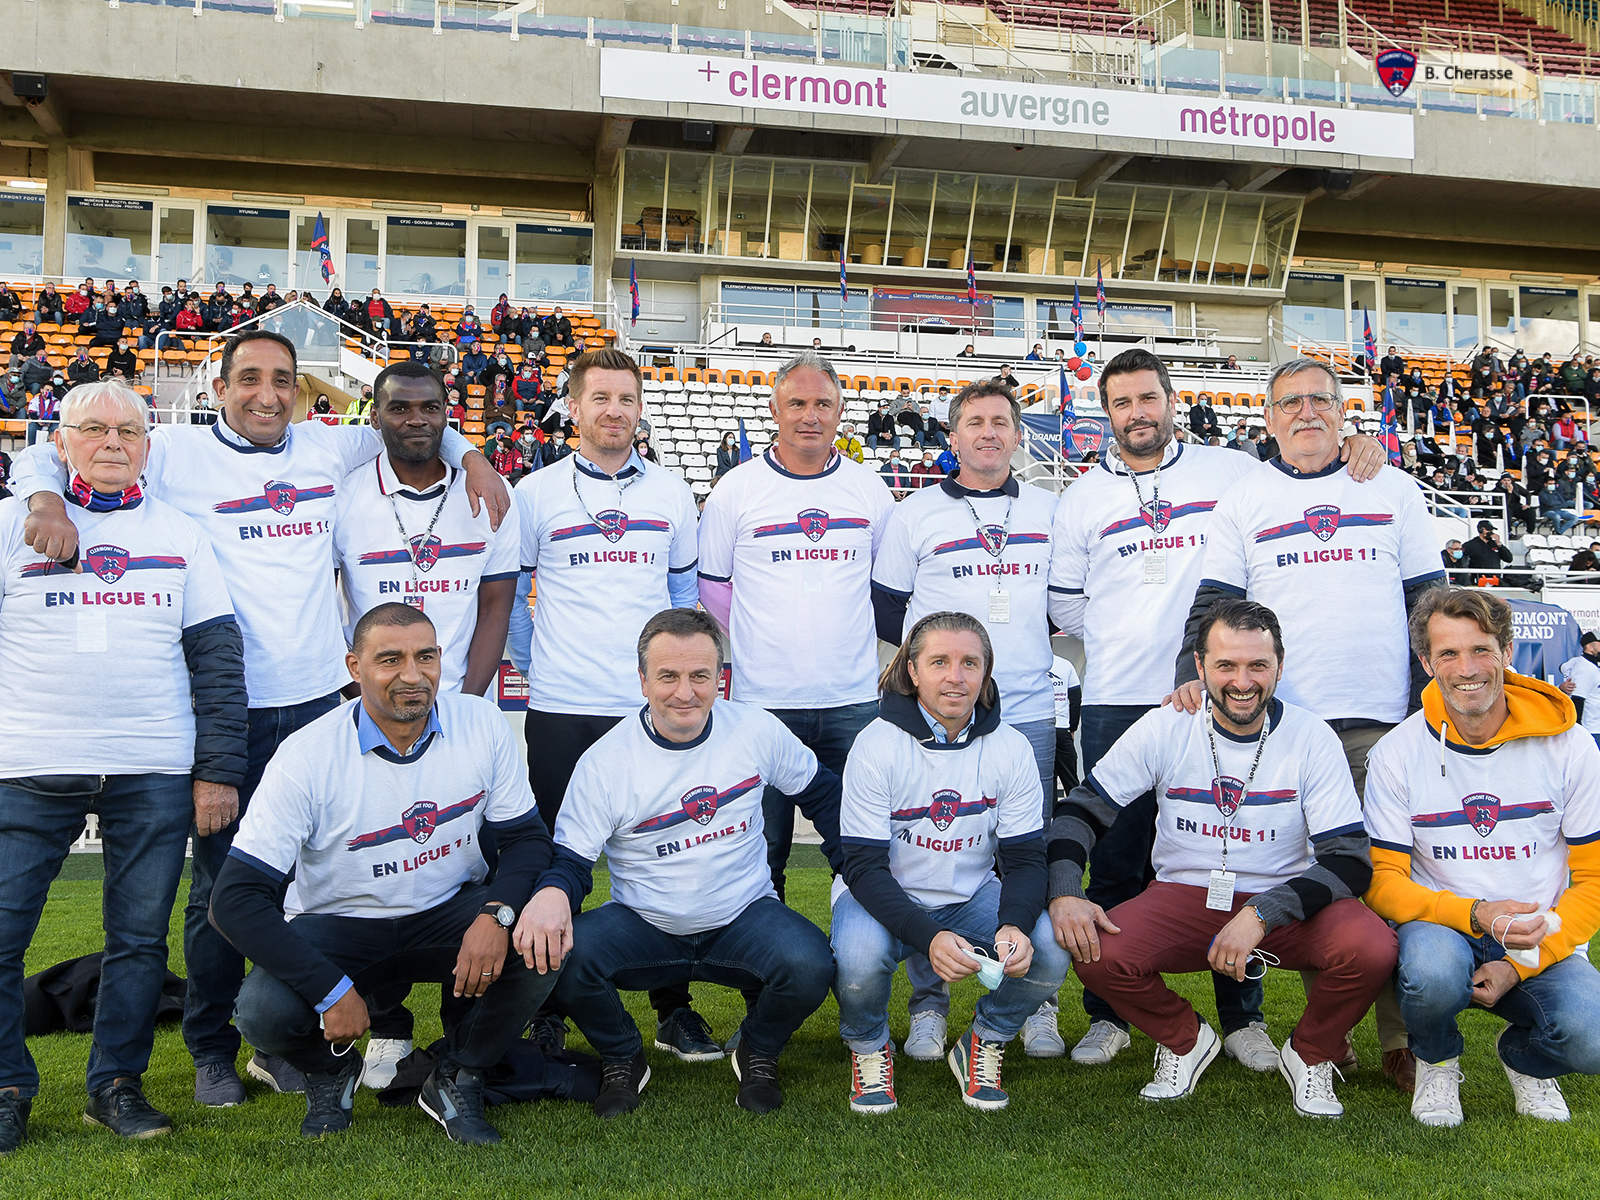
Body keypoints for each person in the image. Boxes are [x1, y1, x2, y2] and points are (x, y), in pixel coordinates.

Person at [10, 330, 509, 1107]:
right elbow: (59, 448)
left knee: (323, 883)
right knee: (225, 892)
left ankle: (321, 1027)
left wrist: (472, 453)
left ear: (302, 395)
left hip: (319, 704)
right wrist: (43, 496)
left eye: (282, 380)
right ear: (218, 387)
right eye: (249, 379)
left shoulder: (324, 447)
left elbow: (412, 419)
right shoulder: (172, 450)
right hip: (226, 710)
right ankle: (213, 1048)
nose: (266, 394)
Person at [1170, 355, 1446, 1090]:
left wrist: (1433, 702)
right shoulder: (1246, 497)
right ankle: (1332, 1030)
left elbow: (1430, 602)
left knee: (1387, 879)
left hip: (1380, 722)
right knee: (1293, 879)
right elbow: (1216, 607)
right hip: (1281, 729)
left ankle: (1402, 1039)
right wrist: (1185, 677)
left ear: (1342, 410)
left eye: (1321, 400)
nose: (1306, 413)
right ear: (1268, 418)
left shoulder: (1392, 486)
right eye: (1290, 403)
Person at [0, 381, 246, 1151]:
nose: (113, 443)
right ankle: (8, 1087)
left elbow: (217, 661)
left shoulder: (182, 531)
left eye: (130, 431)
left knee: (138, 942)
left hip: (154, 768)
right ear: (62, 442)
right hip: (30, 764)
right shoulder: (12, 523)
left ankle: (114, 1085)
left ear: (148, 443)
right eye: (95, 429)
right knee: (3, 938)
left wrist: (217, 771)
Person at [215, 605, 560, 1144]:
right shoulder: (305, 757)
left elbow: (525, 841)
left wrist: (497, 915)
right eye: (390, 659)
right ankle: (331, 1070)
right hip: (339, 924)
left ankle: (457, 1073)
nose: (413, 675)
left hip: (447, 911)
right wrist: (330, 991)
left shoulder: (482, 722)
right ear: (355, 667)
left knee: (542, 942)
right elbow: (234, 899)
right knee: (262, 1012)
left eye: (426, 656)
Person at [1048, 599, 1396, 1117]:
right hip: (1185, 893)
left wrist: (1261, 914)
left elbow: (1348, 859)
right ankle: (1187, 1041)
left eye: (1258, 665)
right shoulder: (1167, 724)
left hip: (1281, 899)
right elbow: (1081, 811)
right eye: (1226, 665)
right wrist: (1065, 891)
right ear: (1200, 665)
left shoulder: (1310, 735)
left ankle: (1310, 1054)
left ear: (1280, 665)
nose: (1242, 681)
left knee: (1372, 947)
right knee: (1094, 950)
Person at [511, 608, 844, 1117]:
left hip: (743, 916)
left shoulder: (755, 730)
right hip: (644, 925)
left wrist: (854, 866)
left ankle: (758, 1049)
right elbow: (572, 860)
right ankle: (623, 1055)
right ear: (642, 680)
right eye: (668, 676)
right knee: (566, 957)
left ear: (720, 678)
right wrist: (553, 893)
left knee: (811, 963)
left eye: (699, 676)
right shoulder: (606, 761)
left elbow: (823, 796)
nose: (684, 692)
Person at [506, 348, 707, 1056]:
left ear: (640, 408)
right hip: (562, 706)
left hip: (646, 711)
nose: (614, 410)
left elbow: (684, 603)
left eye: (626, 397)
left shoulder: (673, 494)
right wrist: (537, 666)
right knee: (558, 859)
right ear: (575, 409)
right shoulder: (536, 493)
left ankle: (673, 1008)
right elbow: (514, 598)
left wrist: (675, 680)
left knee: (660, 853)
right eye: (600, 398)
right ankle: (548, 1005)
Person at [871, 380, 1064, 1060]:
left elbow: (1060, 603)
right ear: (951, 437)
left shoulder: (1051, 509)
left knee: (1022, 856)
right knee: (927, 852)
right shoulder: (914, 513)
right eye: (974, 422)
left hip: (1028, 714)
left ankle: (1035, 999)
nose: (988, 432)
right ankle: (928, 1001)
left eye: (1001, 422)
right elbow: (890, 608)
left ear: (1018, 434)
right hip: (936, 713)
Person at [1364, 588, 1600, 1126]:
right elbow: (1382, 884)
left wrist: (1520, 964)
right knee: (1429, 970)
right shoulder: (1398, 752)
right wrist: (1476, 915)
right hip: (1443, 925)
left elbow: (1594, 880)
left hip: (1539, 932)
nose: (1466, 669)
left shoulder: (1571, 745)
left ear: (1508, 651)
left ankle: (1524, 1061)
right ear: (1425, 662)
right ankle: (1436, 1058)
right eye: (1447, 654)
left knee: (1593, 1037)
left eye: (1481, 650)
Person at [831, 612, 1070, 1113]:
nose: (955, 676)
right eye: (939, 661)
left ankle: (985, 1038)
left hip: (970, 895)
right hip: (881, 897)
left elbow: (1026, 859)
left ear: (986, 673)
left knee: (1047, 949)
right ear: (912, 671)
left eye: (969, 663)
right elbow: (863, 868)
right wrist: (929, 936)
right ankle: (868, 1047)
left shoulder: (1010, 747)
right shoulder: (875, 744)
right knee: (856, 960)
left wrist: (1015, 924)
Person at [698, 350, 894, 902]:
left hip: (853, 703)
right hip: (763, 705)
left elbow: (890, 587)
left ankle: (857, 974)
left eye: (823, 404)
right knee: (762, 855)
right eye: (798, 403)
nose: (811, 415)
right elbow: (712, 588)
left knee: (861, 853)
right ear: (774, 409)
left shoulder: (868, 490)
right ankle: (771, 980)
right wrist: (767, 641)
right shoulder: (736, 490)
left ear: (840, 413)